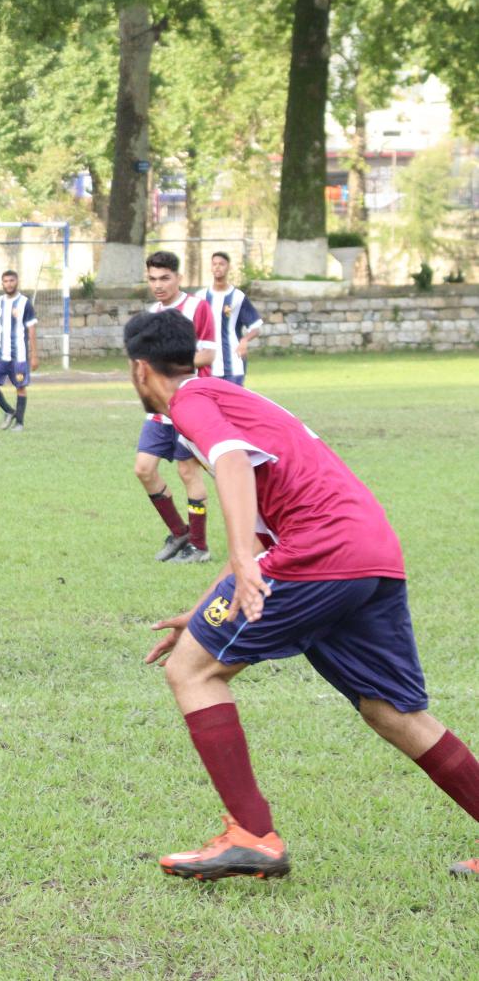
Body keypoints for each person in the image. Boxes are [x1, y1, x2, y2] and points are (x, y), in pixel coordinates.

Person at [125, 308, 479, 881]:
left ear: (140, 369)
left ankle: (252, 835)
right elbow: (262, 517)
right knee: (391, 710)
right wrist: (205, 605)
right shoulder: (225, 395)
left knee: (191, 670)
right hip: (370, 549)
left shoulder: (190, 402)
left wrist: (242, 562)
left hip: (320, 548)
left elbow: (232, 462)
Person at [136, 251, 216, 564]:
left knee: (187, 471)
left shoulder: (197, 307)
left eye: (165, 278)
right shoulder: (150, 314)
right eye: (153, 279)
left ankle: (200, 546)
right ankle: (180, 532)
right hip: (159, 408)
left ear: (178, 278)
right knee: (144, 469)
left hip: (189, 404)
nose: (158, 285)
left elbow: (207, 355)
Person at [0, 269, 39, 431]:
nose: (9, 284)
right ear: (2, 284)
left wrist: (34, 355)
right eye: (6, 281)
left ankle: (19, 423)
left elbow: (32, 330)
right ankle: (8, 410)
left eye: (11, 281)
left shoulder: (25, 303)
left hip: (19, 355)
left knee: (20, 387)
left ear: (17, 282)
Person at [200, 251, 262, 385]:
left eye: (221, 264)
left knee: (234, 397)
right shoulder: (201, 297)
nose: (217, 267)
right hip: (207, 363)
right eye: (214, 264)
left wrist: (244, 340)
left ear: (228, 267)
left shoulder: (238, 297)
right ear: (211, 267)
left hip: (234, 363)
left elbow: (255, 327)